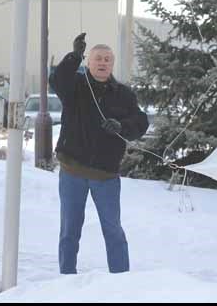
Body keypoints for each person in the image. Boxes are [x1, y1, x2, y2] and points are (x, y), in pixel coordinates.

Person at [49, 33, 149, 274]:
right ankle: (66, 277)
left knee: (113, 229)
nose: (103, 63)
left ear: (112, 64)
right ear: (90, 62)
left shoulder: (124, 94)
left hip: (106, 175)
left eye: (107, 59)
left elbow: (141, 122)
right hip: (72, 171)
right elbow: (56, 79)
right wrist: (74, 56)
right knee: (69, 230)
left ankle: (120, 280)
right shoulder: (75, 87)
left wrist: (121, 126)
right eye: (98, 59)